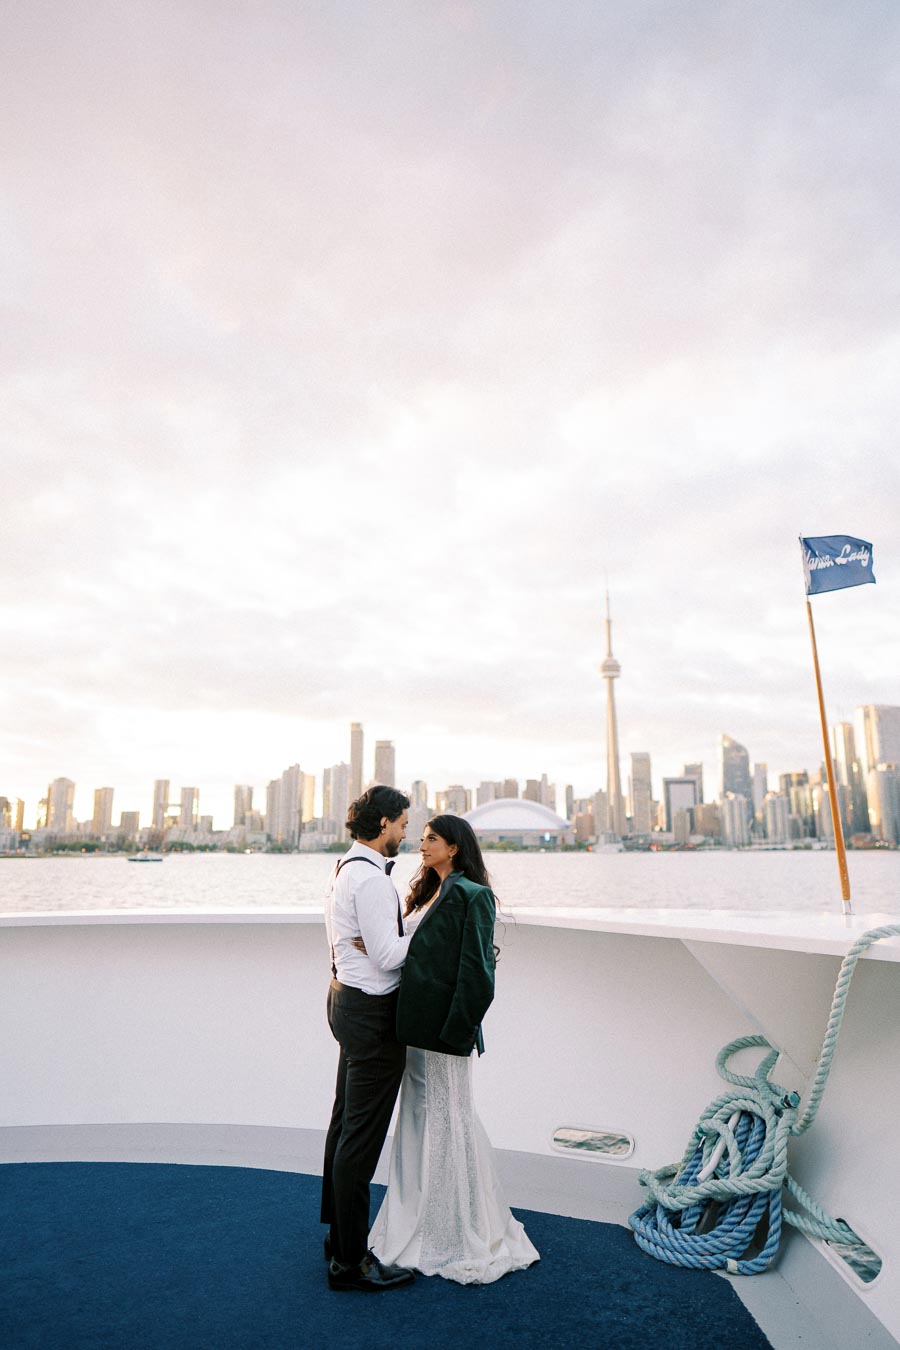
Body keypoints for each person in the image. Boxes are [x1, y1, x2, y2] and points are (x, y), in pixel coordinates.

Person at [367, 815, 540, 1284]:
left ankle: (459, 1229)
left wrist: (456, 1035)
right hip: (415, 1031)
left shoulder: (472, 896)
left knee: (449, 1118)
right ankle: (418, 1220)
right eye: (420, 837)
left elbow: (479, 976)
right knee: (421, 1119)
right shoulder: (425, 892)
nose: (422, 845)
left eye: (432, 839)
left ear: (455, 847)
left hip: (444, 1034)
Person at [321, 785, 416, 1293]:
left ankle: (338, 1242)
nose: (405, 832)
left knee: (343, 1126)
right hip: (373, 1015)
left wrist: (388, 935)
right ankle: (351, 1262)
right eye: (402, 823)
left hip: (343, 1001)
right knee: (360, 1138)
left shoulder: (344, 870)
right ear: (382, 825)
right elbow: (387, 957)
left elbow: (364, 945)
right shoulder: (374, 882)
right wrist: (422, 929)